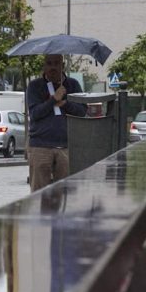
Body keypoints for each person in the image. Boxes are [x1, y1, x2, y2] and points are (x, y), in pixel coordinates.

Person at [26, 54, 86, 191]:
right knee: (39, 192)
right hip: (40, 146)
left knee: (65, 192)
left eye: (56, 63)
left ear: (62, 65)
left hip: (66, 146)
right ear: (44, 66)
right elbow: (35, 114)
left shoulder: (73, 85)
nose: (53, 67)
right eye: (49, 63)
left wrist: (65, 103)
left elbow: (82, 111)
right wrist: (53, 99)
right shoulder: (35, 86)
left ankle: (61, 213)